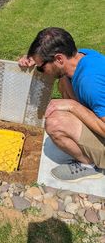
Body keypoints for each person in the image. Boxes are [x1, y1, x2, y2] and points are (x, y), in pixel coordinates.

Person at [18, 27, 105, 182]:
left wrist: (73, 106)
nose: (40, 70)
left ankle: (90, 165)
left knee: (54, 123)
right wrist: (34, 59)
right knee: (64, 81)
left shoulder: (90, 82)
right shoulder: (82, 56)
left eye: (41, 67)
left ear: (58, 59)